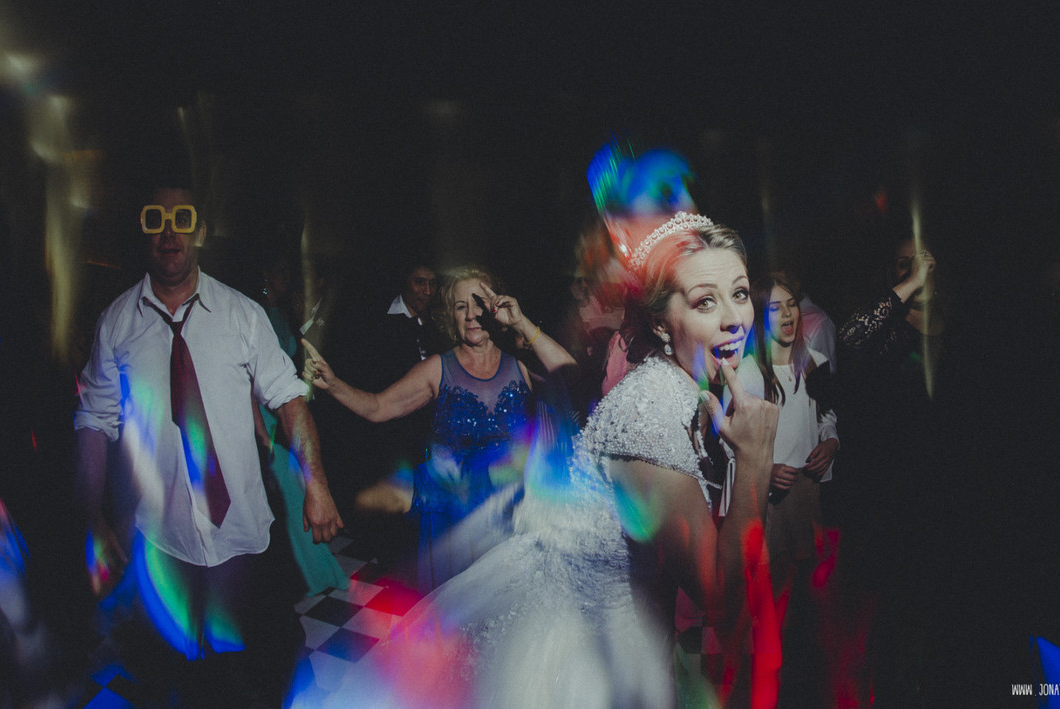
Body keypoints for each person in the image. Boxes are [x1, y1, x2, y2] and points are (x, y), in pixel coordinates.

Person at [326, 213, 781, 709]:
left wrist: (521, 325)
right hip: (581, 643)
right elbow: (724, 603)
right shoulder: (651, 417)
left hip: (607, 614)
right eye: (704, 301)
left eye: (739, 293)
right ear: (659, 320)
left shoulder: (673, 384)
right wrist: (755, 461)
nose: (735, 317)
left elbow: (573, 386)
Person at [75, 184, 343, 706]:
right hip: (165, 538)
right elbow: (94, 422)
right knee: (183, 676)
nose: (169, 231)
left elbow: (290, 401)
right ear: (143, 231)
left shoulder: (244, 316)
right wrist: (91, 520)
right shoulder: (117, 325)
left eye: (182, 219)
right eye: (156, 219)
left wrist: (318, 487)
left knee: (265, 664)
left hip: (245, 534)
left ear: (199, 230)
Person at [303, 265, 576, 591]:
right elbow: (378, 407)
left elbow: (571, 378)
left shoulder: (519, 364)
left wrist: (521, 323)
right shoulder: (436, 369)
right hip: (453, 522)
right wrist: (333, 385)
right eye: (461, 306)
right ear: (450, 315)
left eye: (479, 304)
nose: (472, 314)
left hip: (512, 517)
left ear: (495, 308)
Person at [831, 236, 942, 707]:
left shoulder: (961, 323)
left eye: (919, 263)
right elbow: (851, 335)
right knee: (895, 602)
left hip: (948, 481)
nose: (911, 271)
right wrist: (913, 280)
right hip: (894, 484)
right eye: (902, 265)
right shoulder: (886, 331)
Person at [731, 272, 839, 707]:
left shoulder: (813, 360)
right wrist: (765, 466)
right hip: (769, 500)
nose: (788, 313)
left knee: (808, 594)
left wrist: (832, 442)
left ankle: (805, 683)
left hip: (806, 493)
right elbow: (728, 440)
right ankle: (768, 687)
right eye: (775, 307)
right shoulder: (749, 372)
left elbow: (828, 414)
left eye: (792, 303)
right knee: (768, 599)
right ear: (761, 316)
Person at [253, 249, 350, 597]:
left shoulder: (279, 315)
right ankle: (298, 573)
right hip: (263, 417)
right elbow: (248, 382)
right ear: (265, 273)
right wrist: (261, 433)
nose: (287, 278)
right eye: (281, 271)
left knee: (295, 491)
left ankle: (307, 571)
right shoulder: (253, 312)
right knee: (289, 492)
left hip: (288, 410)